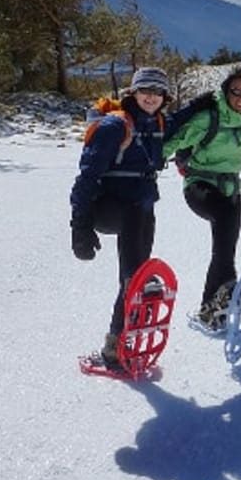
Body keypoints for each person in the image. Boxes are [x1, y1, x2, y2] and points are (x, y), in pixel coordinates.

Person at [69, 67, 175, 367]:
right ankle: (135, 282)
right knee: (134, 268)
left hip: (140, 208)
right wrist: (80, 226)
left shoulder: (158, 123)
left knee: (138, 261)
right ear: (134, 92)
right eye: (145, 90)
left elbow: (189, 115)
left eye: (157, 92)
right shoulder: (115, 127)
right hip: (106, 208)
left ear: (164, 96)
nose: (151, 97)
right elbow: (86, 178)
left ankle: (116, 341)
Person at [161, 66, 241, 330]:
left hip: (230, 189)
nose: (240, 98)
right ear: (226, 93)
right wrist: (147, 162)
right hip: (199, 185)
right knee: (225, 222)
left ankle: (209, 310)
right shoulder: (208, 118)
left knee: (225, 248)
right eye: (235, 91)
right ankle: (229, 286)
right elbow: (175, 141)